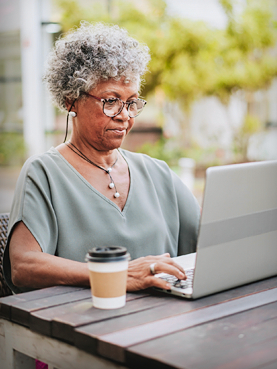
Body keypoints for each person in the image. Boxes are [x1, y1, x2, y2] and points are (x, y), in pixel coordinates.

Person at [3, 22, 201, 294]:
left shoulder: (158, 173)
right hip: (84, 324)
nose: (125, 115)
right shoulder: (44, 173)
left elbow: (212, 241)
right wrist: (118, 275)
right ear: (71, 99)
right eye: (111, 101)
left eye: (132, 102)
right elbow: (24, 266)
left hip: (165, 319)